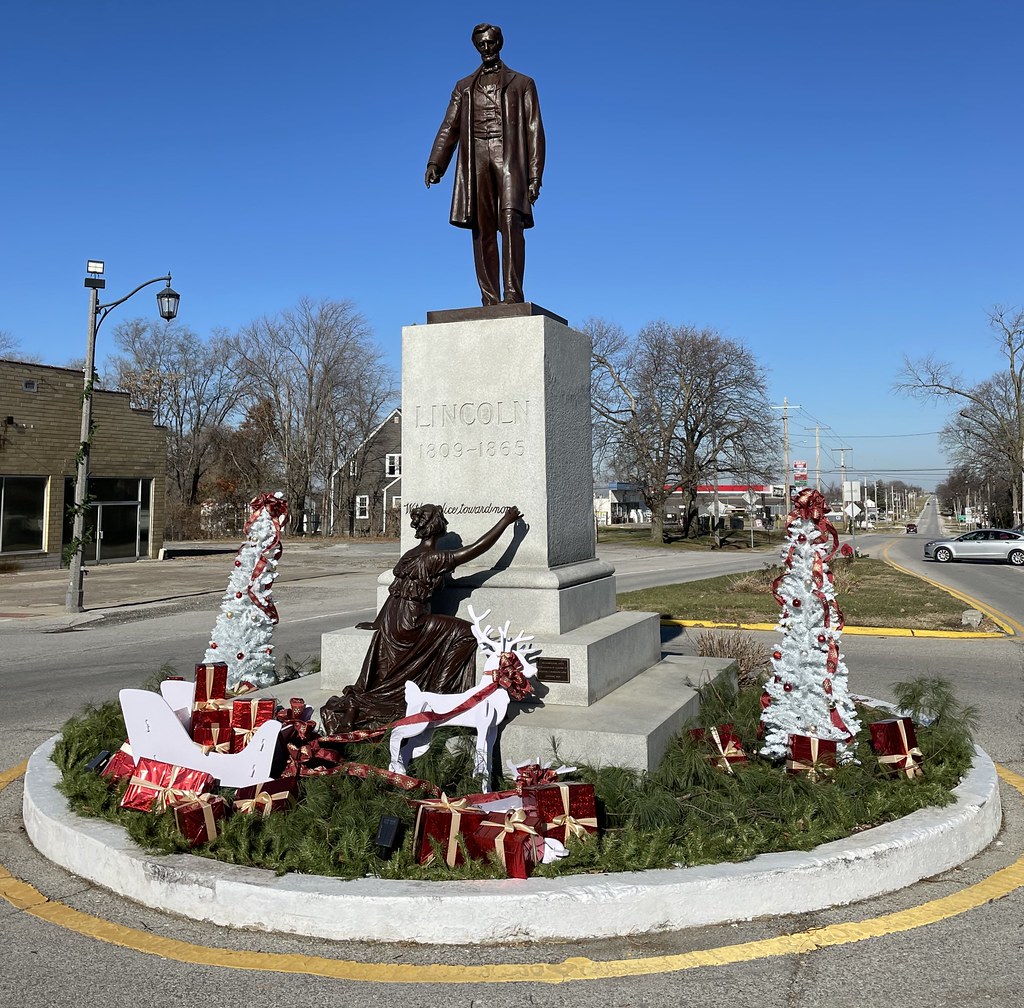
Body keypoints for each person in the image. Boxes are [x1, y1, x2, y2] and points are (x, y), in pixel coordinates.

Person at [330, 504, 523, 728]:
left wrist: (378, 622)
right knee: (468, 634)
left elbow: (394, 592)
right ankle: (439, 694)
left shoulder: (410, 555)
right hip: (412, 622)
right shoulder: (433, 559)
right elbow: (478, 548)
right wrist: (506, 523)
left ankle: (362, 705)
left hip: (394, 619)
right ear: (438, 526)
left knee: (456, 633)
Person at [425, 23, 545, 306]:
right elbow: (449, 127)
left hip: (509, 157)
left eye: (490, 43)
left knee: (510, 220)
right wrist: (436, 162)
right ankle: (489, 298)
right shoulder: (464, 87)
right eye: (481, 45)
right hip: (475, 156)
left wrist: (535, 176)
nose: (486, 49)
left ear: (499, 42)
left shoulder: (522, 83)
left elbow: (534, 130)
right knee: (483, 227)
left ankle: (513, 293)